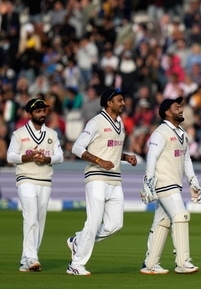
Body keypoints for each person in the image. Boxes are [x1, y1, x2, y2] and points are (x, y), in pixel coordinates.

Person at [66, 88, 138, 276]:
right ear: (109, 103)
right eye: (119, 100)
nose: (123, 103)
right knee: (94, 221)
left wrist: (125, 156)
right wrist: (99, 161)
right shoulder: (96, 122)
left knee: (115, 224)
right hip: (96, 177)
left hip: (115, 179)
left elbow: (109, 150)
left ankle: (78, 241)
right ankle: (76, 264)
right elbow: (77, 147)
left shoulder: (120, 123)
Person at [140, 96, 201, 275]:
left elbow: (187, 159)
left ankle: (151, 264)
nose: (181, 109)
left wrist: (193, 181)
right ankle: (183, 262)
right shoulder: (160, 133)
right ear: (167, 112)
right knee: (181, 216)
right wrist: (148, 182)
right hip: (164, 182)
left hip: (174, 183)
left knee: (163, 221)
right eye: (177, 107)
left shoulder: (182, 133)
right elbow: (151, 156)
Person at [7, 98, 64, 272]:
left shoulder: (52, 134)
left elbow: (60, 156)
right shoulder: (19, 134)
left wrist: (46, 159)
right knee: (30, 216)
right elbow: (10, 156)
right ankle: (32, 257)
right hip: (25, 178)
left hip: (45, 180)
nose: (41, 114)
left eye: (43, 111)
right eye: (38, 111)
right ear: (29, 114)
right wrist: (29, 157)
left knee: (39, 220)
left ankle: (27, 260)